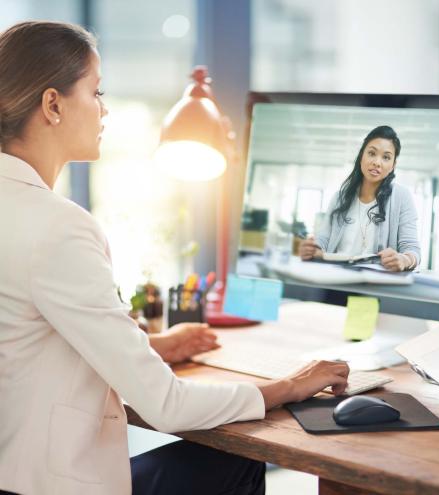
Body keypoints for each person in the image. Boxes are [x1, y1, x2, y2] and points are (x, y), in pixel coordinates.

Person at [0, 21, 349, 495]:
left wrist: (155, 349)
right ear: (52, 104)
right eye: (97, 92)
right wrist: (289, 385)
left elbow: (25, 343)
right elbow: (167, 405)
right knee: (234, 462)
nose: (105, 110)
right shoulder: (59, 228)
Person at [299, 125, 420, 272]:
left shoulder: (401, 197)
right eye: (372, 153)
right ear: (361, 156)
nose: (377, 162)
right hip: (334, 278)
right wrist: (312, 249)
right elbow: (323, 241)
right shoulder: (340, 198)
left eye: (386, 157)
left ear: (393, 166)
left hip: (375, 283)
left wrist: (404, 259)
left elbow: (413, 250)